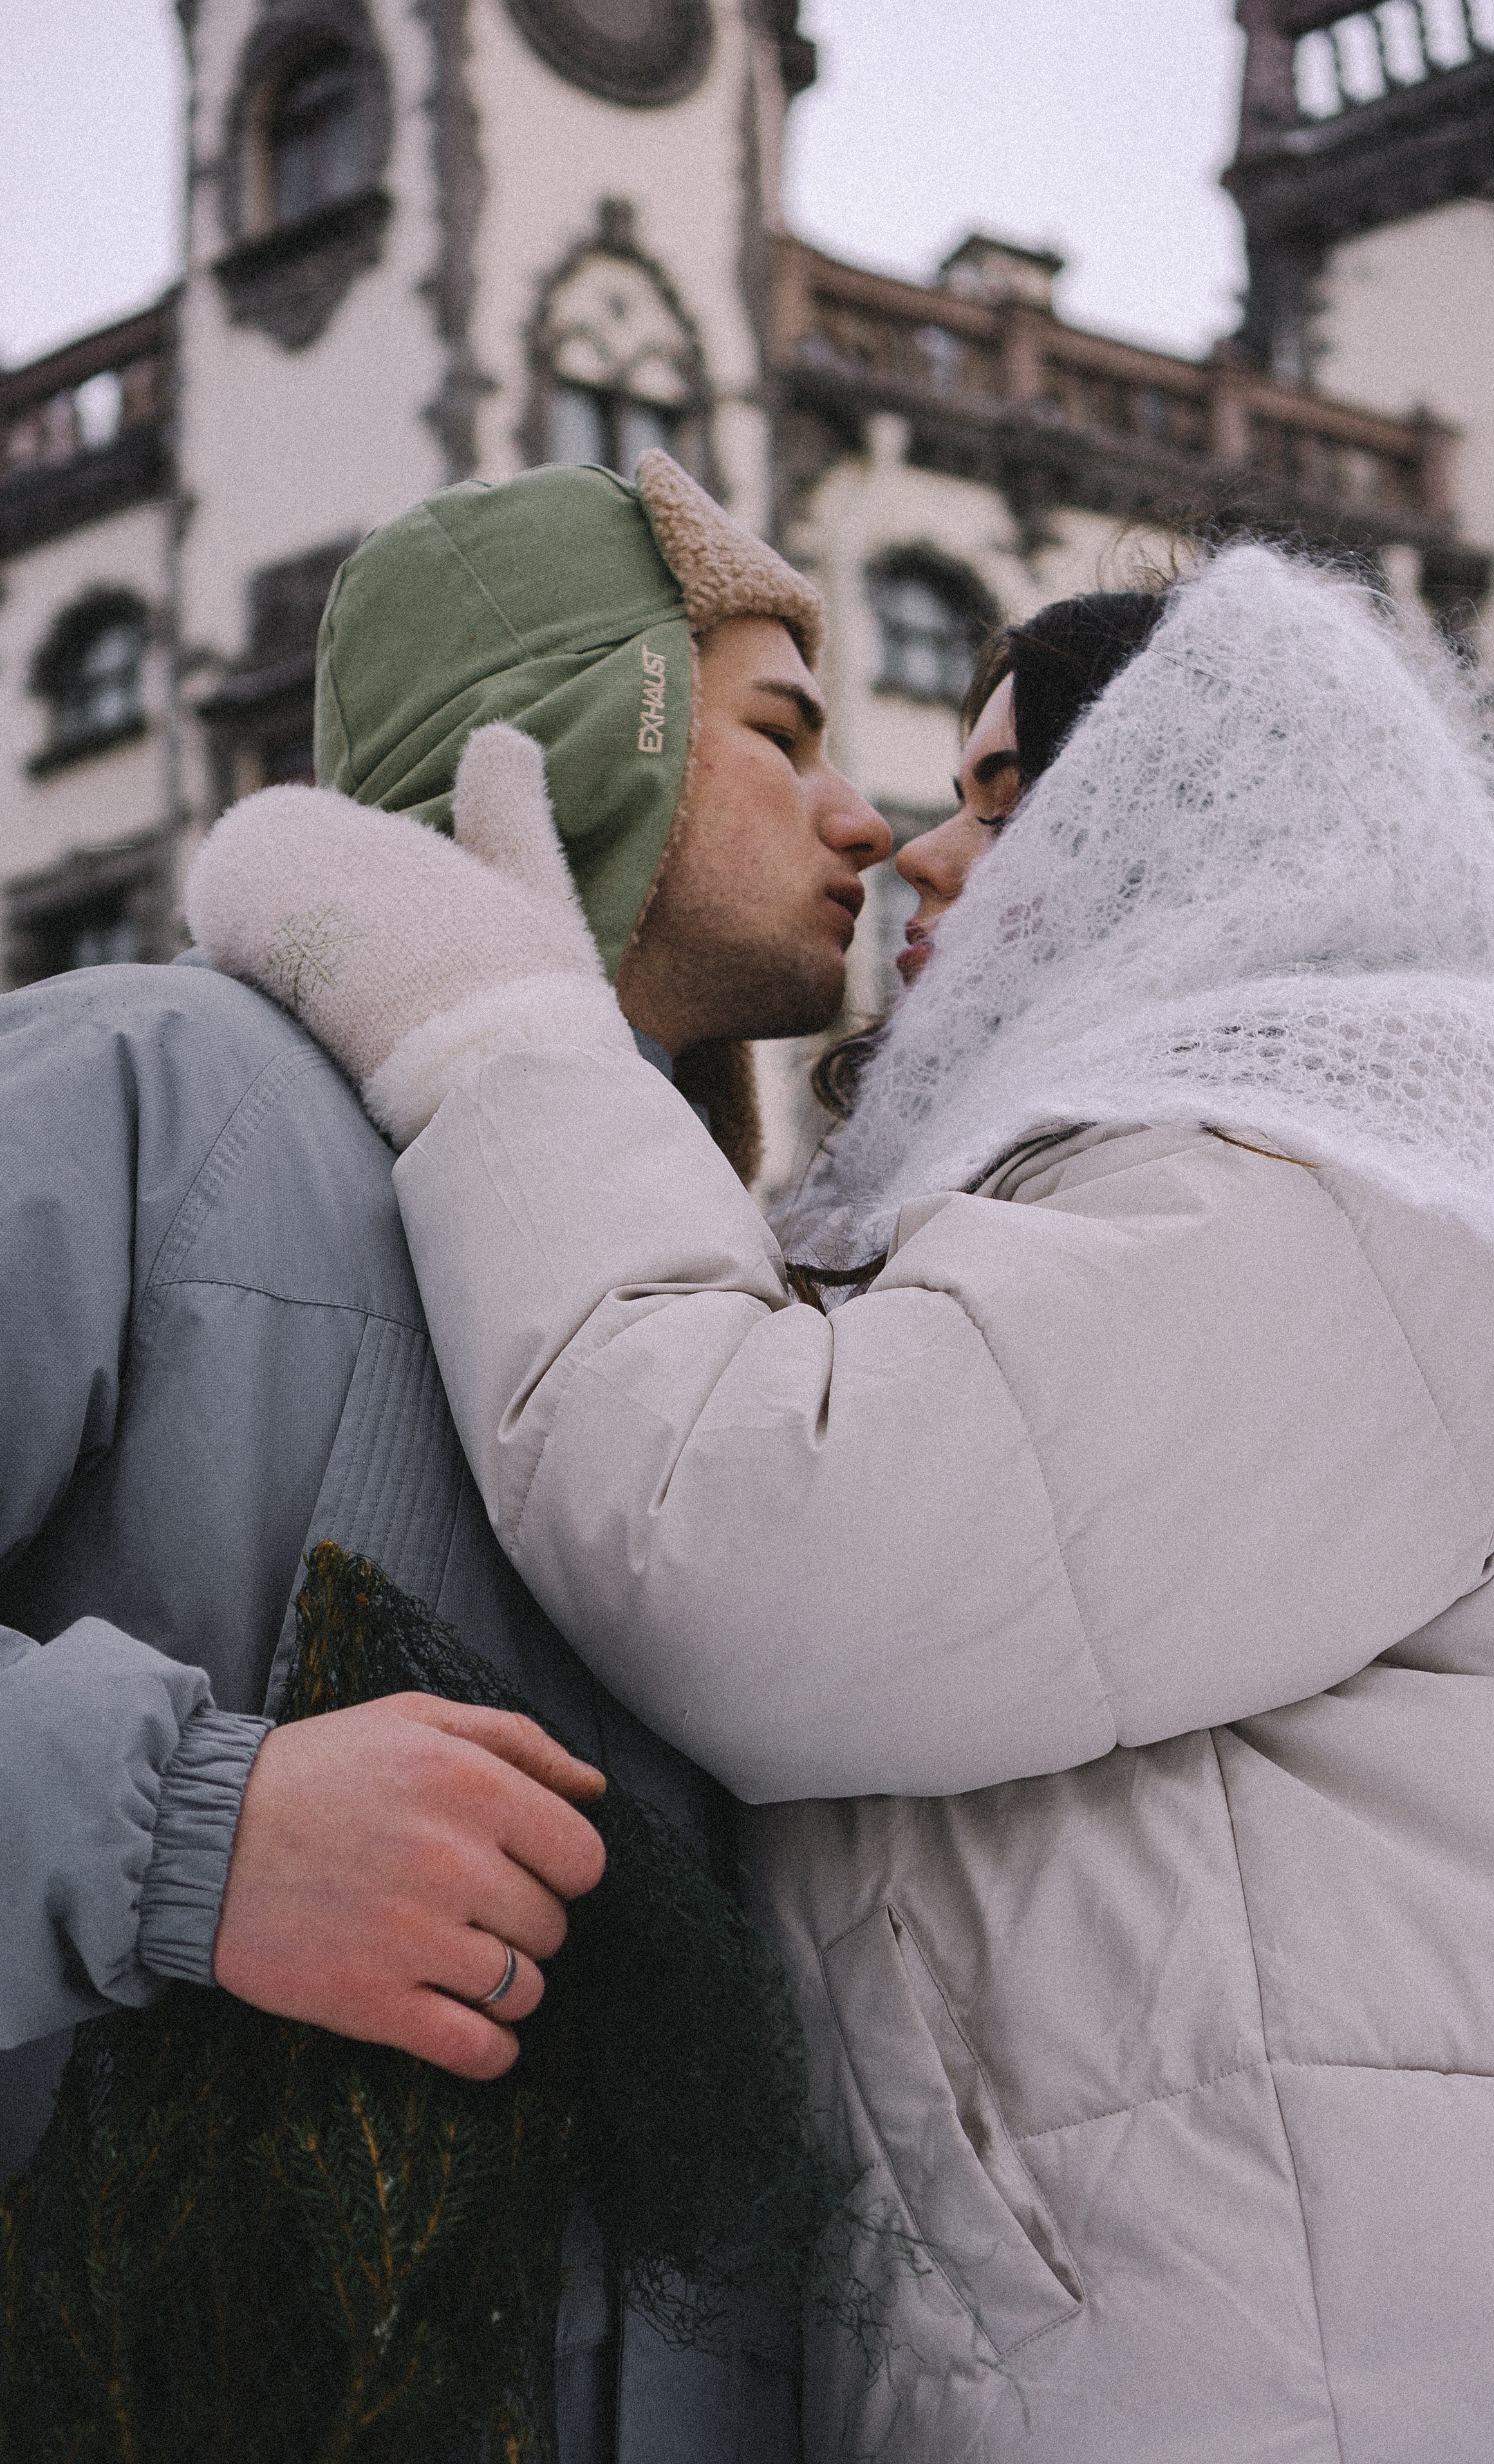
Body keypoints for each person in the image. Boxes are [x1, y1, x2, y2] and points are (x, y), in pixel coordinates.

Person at [191, 540, 1494, 2463]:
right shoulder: (1178, 1187)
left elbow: (765, 1540)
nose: (912, 858)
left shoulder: (1345, 1176)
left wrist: (497, 1031)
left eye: (1016, 802)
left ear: (1209, 829)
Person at [0, 449, 888, 2458]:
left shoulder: (729, 1309)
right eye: (778, 731)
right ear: (590, 742)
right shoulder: (153, 1091)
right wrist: (188, 1840)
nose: (869, 818)